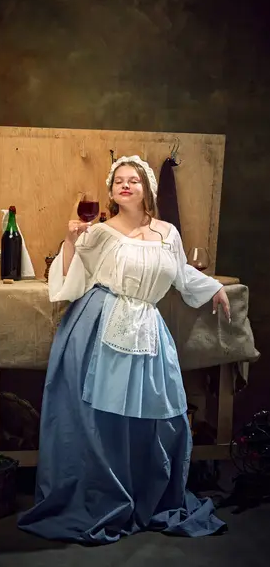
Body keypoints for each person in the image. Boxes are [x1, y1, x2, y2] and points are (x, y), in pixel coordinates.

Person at [18, 155, 230, 544]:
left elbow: (182, 273)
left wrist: (213, 287)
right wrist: (70, 240)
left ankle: (145, 489)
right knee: (99, 419)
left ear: (146, 188)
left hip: (147, 327)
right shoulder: (100, 232)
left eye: (133, 180)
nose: (125, 185)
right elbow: (72, 281)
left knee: (160, 417)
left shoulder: (167, 232)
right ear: (112, 191)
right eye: (119, 180)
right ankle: (99, 492)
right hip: (99, 322)